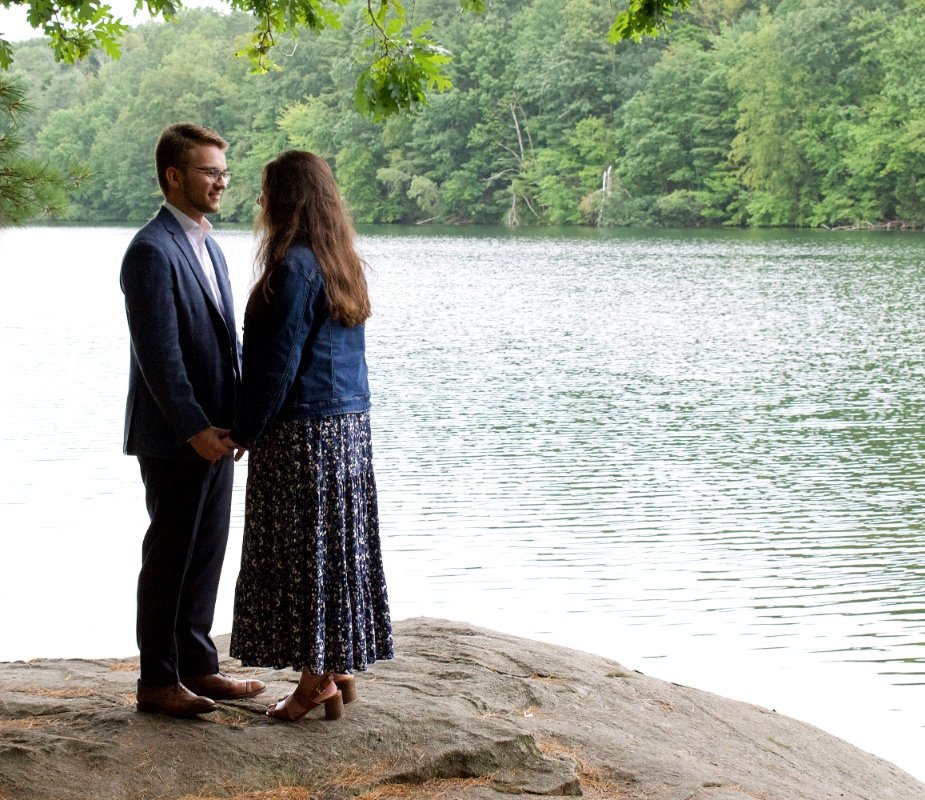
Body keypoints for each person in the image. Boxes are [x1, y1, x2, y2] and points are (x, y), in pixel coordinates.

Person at [227, 150, 393, 722]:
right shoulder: (339, 260)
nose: (259, 202)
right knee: (328, 551)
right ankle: (333, 665)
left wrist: (244, 431)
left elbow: (276, 365)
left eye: (265, 192)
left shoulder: (294, 267)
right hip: (346, 430)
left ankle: (315, 681)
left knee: (303, 554)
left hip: (303, 433)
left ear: (284, 199)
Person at [120, 122, 266, 717]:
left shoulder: (207, 243)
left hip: (216, 434)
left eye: (224, 172)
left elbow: (222, 345)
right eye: (210, 171)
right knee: (170, 555)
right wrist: (194, 429)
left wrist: (234, 424)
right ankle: (157, 680)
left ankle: (199, 667)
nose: (221, 182)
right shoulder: (151, 250)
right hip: (175, 435)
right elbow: (160, 356)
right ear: (174, 175)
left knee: (205, 552)